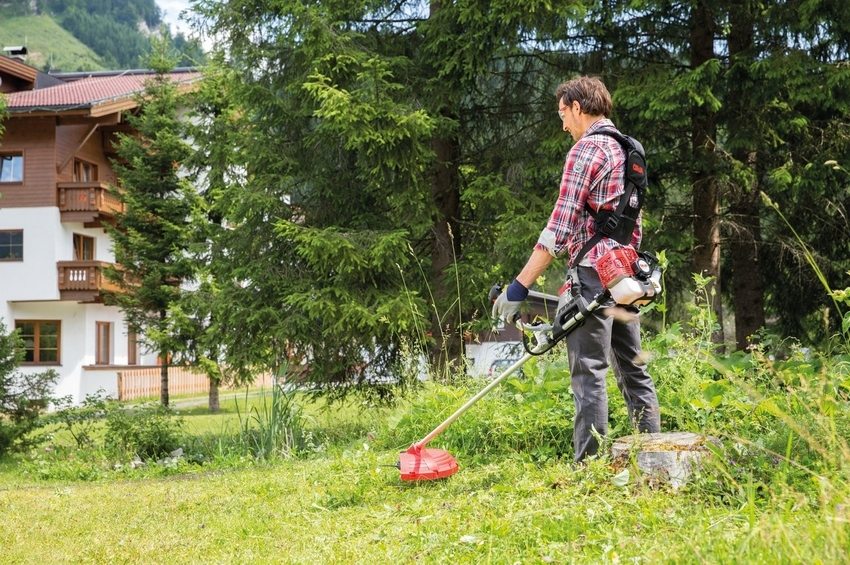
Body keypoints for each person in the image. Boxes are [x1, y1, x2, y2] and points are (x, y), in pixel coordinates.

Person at [492, 76, 661, 462]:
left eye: (562, 114)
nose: (563, 124)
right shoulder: (628, 149)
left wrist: (520, 286)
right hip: (623, 277)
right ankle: (654, 457)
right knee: (632, 368)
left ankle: (589, 468)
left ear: (576, 107)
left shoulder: (586, 150)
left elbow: (559, 227)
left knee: (589, 373)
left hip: (591, 275)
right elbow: (631, 221)